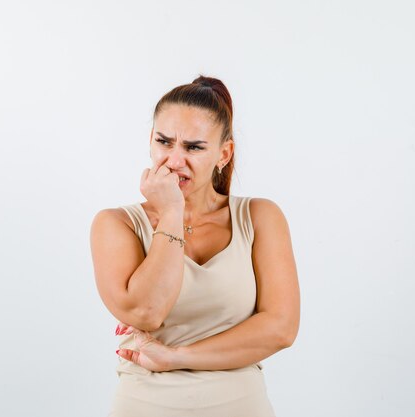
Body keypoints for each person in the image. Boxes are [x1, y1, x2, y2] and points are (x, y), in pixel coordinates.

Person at [90, 75, 300, 416]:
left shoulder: (261, 217)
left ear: (224, 153)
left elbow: (280, 329)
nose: (174, 160)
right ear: (150, 141)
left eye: (193, 147)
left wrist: (176, 357)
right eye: (164, 142)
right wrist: (172, 212)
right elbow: (147, 311)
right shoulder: (116, 224)